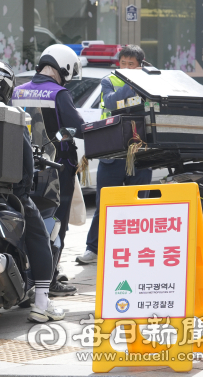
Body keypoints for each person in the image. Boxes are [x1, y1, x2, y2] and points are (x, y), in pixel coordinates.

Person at [0, 57, 65, 323]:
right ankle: (42, 301)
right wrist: (22, 192)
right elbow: (26, 163)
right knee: (39, 236)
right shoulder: (11, 118)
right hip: (3, 196)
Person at [12, 44, 85, 297]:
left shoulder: (17, 91)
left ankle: (25, 276)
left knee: (25, 224)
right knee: (55, 226)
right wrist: (62, 134)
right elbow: (77, 127)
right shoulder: (59, 93)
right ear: (63, 66)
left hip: (20, 167)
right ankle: (49, 280)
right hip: (54, 171)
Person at [77, 45, 153, 264]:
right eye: (124, 63)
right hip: (113, 152)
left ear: (141, 63)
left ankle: (137, 249)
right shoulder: (109, 80)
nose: (127, 67)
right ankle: (94, 249)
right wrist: (132, 82)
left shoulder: (151, 80)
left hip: (140, 152)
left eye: (132, 64)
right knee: (105, 203)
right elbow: (111, 103)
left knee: (139, 203)